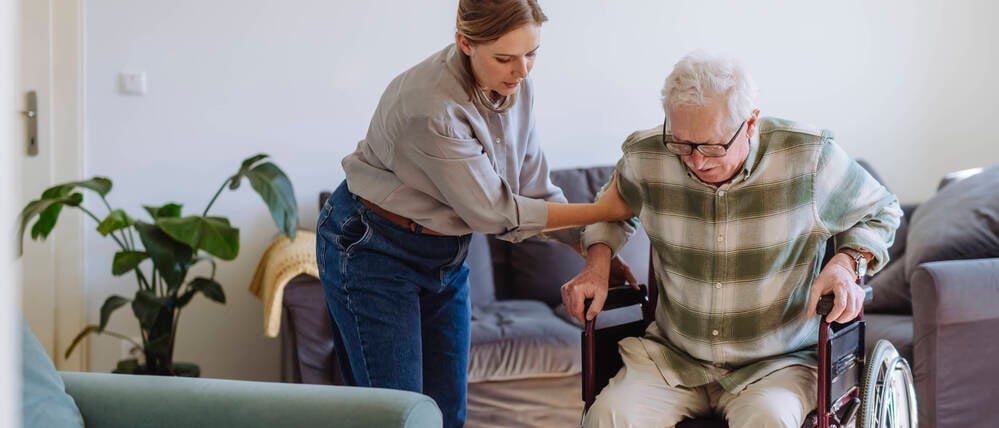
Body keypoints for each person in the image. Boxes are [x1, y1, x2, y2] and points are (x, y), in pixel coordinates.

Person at [315, 2, 632, 427]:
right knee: (397, 418)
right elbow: (496, 213)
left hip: (446, 253)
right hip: (374, 250)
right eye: (505, 57)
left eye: (531, 53)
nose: (522, 71)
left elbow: (533, 189)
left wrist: (593, 249)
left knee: (448, 416)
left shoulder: (517, 86)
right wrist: (605, 210)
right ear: (465, 43)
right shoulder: (431, 107)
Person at [561, 51, 902, 427]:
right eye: (682, 144)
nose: (696, 161)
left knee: (769, 420)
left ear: (751, 123)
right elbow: (608, 215)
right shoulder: (647, 157)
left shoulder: (808, 157)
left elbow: (881, 209)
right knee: (608, 417)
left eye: (712, 146)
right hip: (673, 358)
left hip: (776, 365)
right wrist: (596, 265)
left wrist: (845, 262)